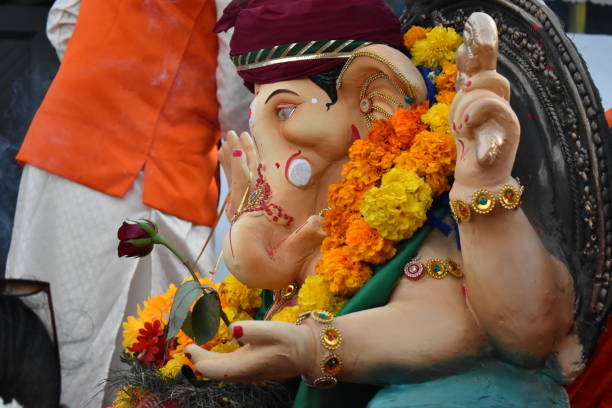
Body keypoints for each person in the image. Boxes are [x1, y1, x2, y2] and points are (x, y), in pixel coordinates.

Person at [185, 1, 580, 407]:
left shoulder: (415, 210)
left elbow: (452, 326)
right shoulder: (320, 216)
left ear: (374, 99)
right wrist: (257, 216)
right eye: (259, 120)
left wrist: (311, 347)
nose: (272, 144)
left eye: (286, 111)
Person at [6, 0, 226, 406]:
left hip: (68, 145)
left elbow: (64, 18)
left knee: (39, 328)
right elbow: (238, 66)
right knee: (138, 362)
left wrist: (106, 86)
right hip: (154, 171)